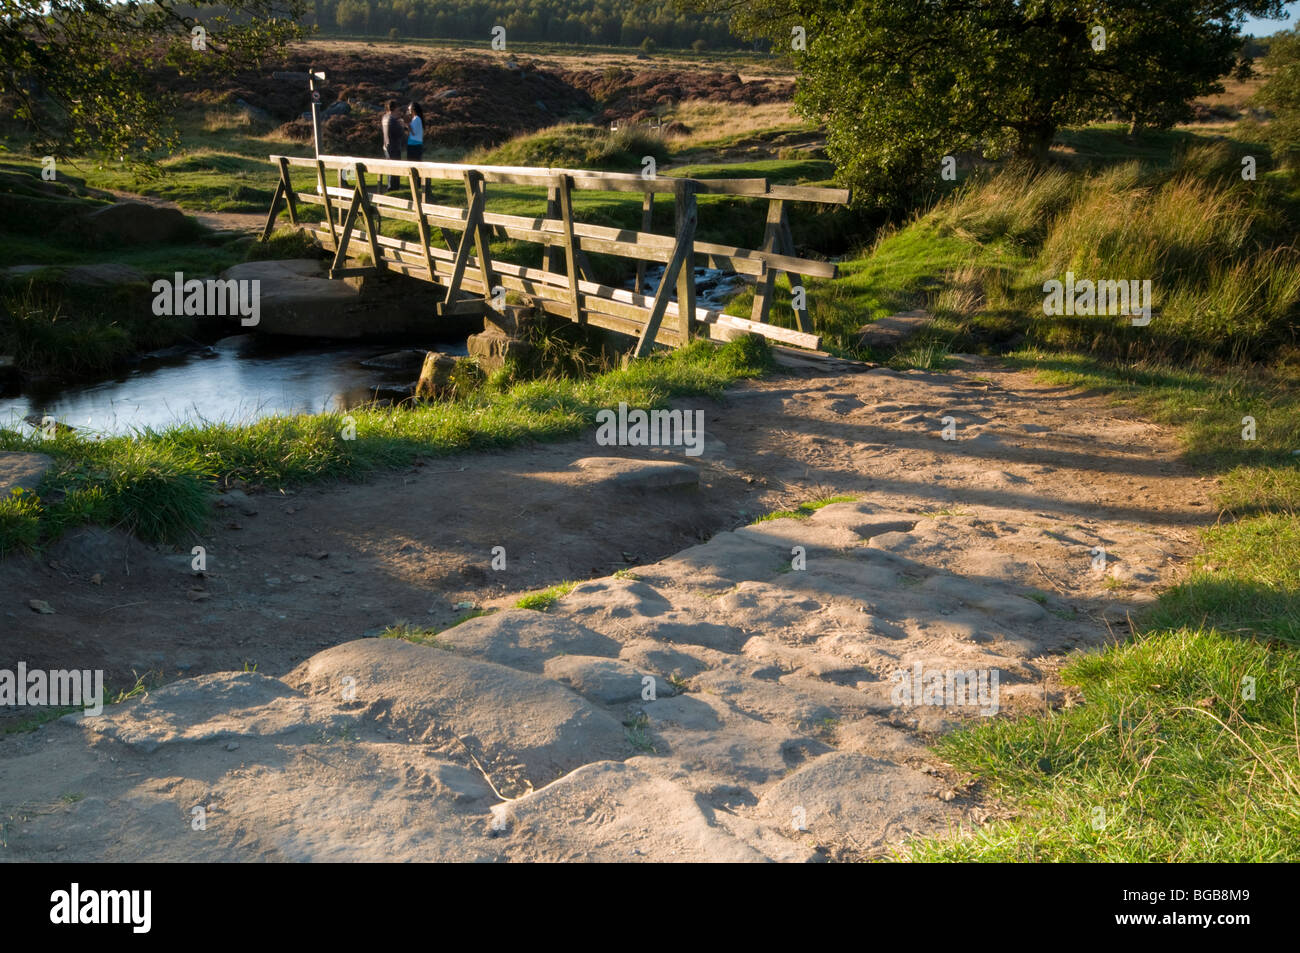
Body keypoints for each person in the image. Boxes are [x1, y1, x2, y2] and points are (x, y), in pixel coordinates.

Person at [380, 100, 404, 191]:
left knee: (390, 168)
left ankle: (391, 187)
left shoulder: (384, 117)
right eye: (398, 109)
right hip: (394, 147)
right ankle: (393, 188)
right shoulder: (393, 120)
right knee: (395, 169)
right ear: (394, 109)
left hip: (386, 146)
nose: (399, 111)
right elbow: (399, 133)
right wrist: (401, 125)